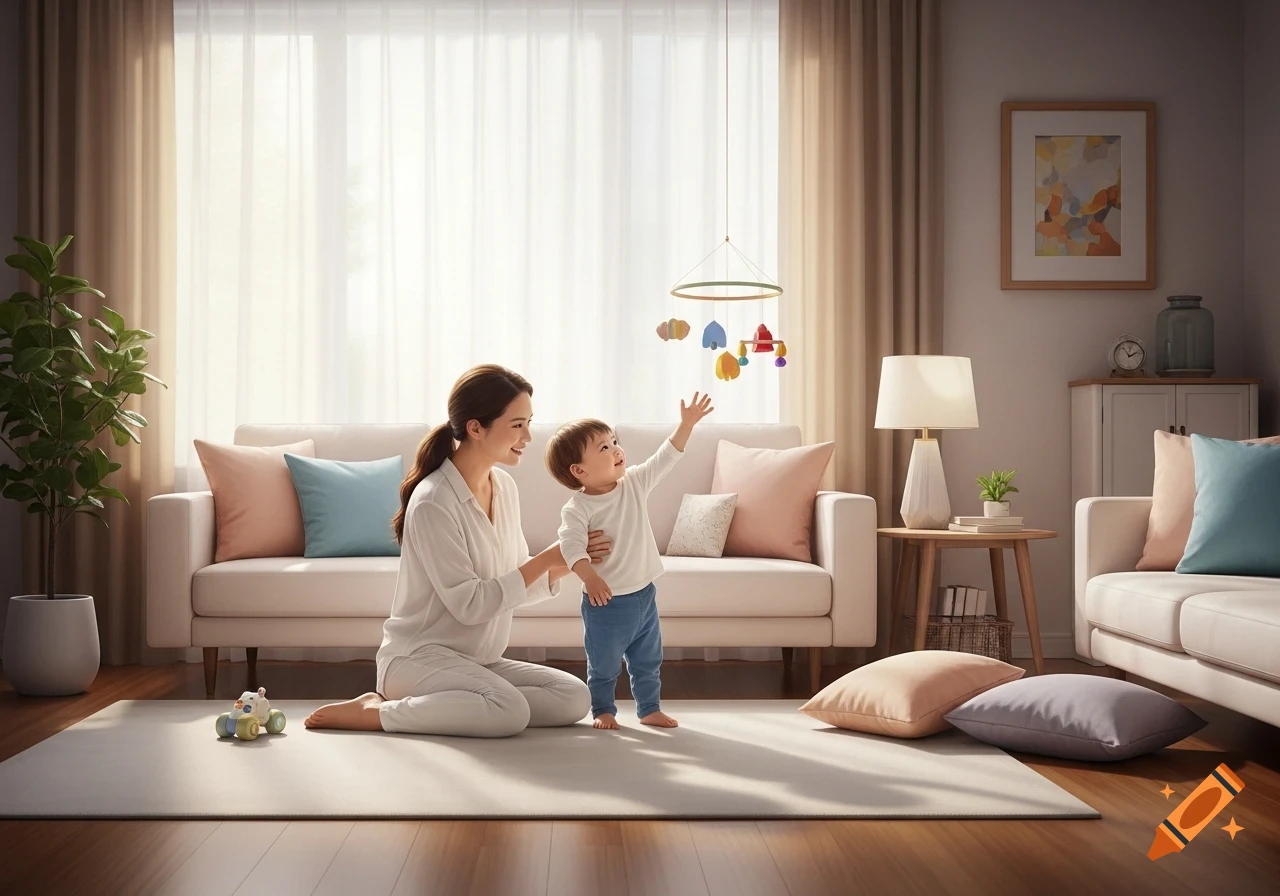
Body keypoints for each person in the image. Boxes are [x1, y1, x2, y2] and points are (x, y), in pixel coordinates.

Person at [304, 365, 610, 737]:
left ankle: (473, 704)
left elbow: (510, 584)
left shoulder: (505, 487)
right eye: (517, 424)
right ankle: (377, 712)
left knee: (573, 696)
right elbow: (472, 605)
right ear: (476, 428)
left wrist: (570, 562)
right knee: (508, 710)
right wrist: (548, 557)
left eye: (529, 422)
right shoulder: (434, 500)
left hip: (477, 661)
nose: (528, 435)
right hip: (418, 660)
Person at [543, 393, 714, 730]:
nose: (616, 450)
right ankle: (603, 710)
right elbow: (571, 546)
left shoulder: (633, 483)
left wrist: (686, 425)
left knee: (648, 660)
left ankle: (649, 708)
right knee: (604, 664)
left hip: (644, 595)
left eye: (614, 442)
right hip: (605, 603)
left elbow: (666, 458)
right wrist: (589, 577)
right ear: (579, 470)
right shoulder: (578, 509)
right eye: (603, 448)